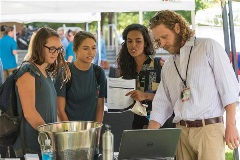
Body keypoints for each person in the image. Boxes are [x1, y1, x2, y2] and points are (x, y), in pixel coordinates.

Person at [148, 10, 240, 160]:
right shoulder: (169, 65)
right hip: (181, 134)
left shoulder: (208, 46)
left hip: (209, 131)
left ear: (177, 28)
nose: (162, 44)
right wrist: (149, 136)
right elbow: (162, 103)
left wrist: (231, 125)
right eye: (159, 40)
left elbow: (229, 89)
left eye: (165, 37)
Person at [13, 27, 71, 157]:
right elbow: (29, 113)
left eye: (58, 49)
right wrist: (51, 135)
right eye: (51, 48)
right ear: (39, 46)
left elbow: (50, 109)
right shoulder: (28, 71)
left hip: (45, 145)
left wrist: (61, 132)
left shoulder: (45, 73)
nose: (55, 53)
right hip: (30, 146)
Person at [116, 24, 174, 129]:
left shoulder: (159, 64)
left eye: (138, 41)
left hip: (161, 124)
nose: (133, 45)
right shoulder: (125, 69)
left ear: (145, 43)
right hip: (137, 124)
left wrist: (146, 96)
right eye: (129, 41)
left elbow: (173, 97)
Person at [55, 31, 107, 123]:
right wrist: (71, 132)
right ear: (75, 50)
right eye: (85, 48)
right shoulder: (65, 73)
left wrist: (96, 130)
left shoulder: (99, 72)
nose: (90, 52)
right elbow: (60, 110)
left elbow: (100, 106)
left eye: (94, 48)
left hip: (91, 131)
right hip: (69, 130)